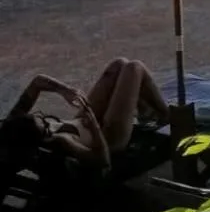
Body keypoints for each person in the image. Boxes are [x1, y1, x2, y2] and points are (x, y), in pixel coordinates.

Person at [1, 59, 168, 171]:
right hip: (108, 135)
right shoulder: (62, 141)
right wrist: (94, 126)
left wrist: (65, 90)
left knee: (119, 64)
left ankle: (145, 109)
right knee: (134, 68)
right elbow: (103, 161)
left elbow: (37, 81)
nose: (48, 123)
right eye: (46, 128)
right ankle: (167, 115)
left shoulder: (15, 125)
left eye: (41, 119)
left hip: (84, 120)